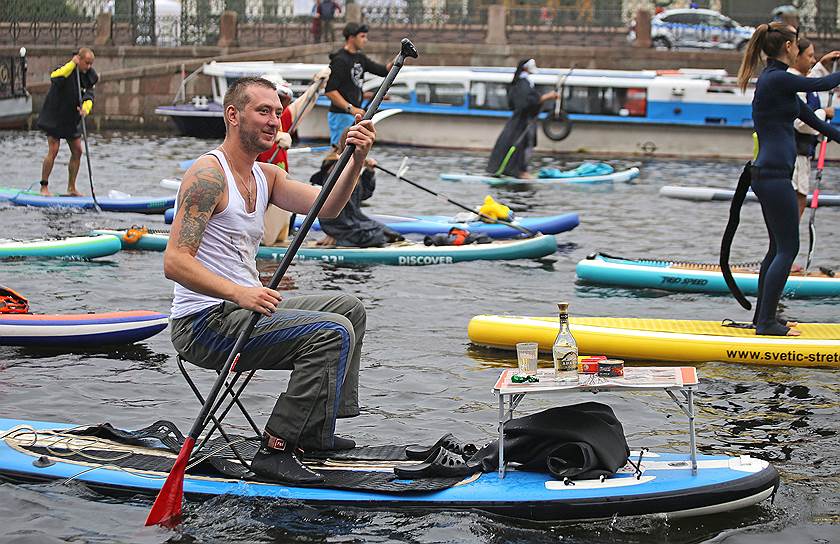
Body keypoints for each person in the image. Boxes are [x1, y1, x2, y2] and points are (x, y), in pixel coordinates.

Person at [164, 76, 376, 484]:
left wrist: (355, 160)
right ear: (232, 115)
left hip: (241, 311)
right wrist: (240, 292)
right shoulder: (208, 175)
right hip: (202, 325)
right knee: (331, 331)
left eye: (277, 113)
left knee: (349, 308)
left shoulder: (267, 176)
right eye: (263, 111)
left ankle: (314, 432)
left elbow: (328, 207)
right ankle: (277, 446)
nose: (274, 121)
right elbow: (174, 262)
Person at [735, 22, 840, 336]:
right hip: (773, 175)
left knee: (776, 248)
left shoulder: (781, 88)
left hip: (771, 174)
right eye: (797, 44)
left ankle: (762, 318)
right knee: (787, 249)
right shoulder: (777, 80)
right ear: (789, 48)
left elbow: (824, 129)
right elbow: (825, 85)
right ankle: (767, 323)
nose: (799, 49)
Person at [257, 69, 330, 246]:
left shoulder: (284, 118)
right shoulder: (253, 125)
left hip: (281, 190)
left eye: (281, 102)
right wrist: (274, 138)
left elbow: (303, 104)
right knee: (267, 242)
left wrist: (317, 85)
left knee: (280, 238)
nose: (277, 109)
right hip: (262, 194)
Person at [309, 131, 404, 247]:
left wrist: (369, 172)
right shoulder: (336, 168)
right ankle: (339, 241)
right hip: (340, 224)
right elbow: (333, 204)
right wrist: (334, 233)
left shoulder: (353, 164)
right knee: (379, 237)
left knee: (391, 234)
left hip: (353, 219)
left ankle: (341, 239)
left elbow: (363, 195)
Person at [788, 39, 840, 218]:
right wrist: (824, 113)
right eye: (810, 56)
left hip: (801, 152)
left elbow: (809, 82)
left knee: (799, 198)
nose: (812, 60)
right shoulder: (792, 81)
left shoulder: (799, 79)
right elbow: (801, 123)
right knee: (798, 198)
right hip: (796, 154)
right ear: (796, 57)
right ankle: (788, 242)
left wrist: (822, 64)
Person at [36, 48, 97, 196]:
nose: (88, 67)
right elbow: (55, 77)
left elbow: (89, 95)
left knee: (78, 151)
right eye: (86, 63)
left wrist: (85, 108)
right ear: (79, 59)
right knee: (54, 149)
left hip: (71, 118)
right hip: (55, 116)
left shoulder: (90, 76)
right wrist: (72, 64)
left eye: (91, 64)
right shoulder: (66, 70)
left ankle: (71, 188)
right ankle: (44, 186)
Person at [486, 59, 558, 178]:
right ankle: (519, 171)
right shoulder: (523, 83)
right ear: (525, 68)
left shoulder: (521, 82)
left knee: (522, 144)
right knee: (522, 145)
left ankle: (517, 170)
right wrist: (547, 96)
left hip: (521, 120)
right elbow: (527, 101)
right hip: (522, 121)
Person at [325, 22, 391, 147]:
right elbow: (330, 91)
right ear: (351, 38)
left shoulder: (360, 58)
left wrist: (401, 57)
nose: (365, 40)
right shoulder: (340, 60)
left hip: (354, 116)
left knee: (353, 150)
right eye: (362, 36)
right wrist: (352, 108)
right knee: (340, 152)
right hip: (341, 116)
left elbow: (384, 71)